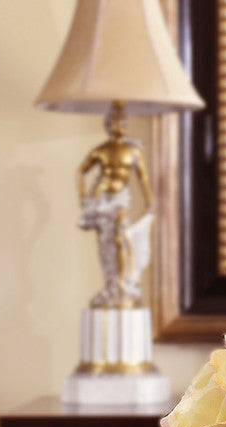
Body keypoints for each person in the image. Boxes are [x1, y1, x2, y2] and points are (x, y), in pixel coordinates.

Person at [77, 104, 154, 308]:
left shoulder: (133, 151)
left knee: (120, 237)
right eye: (115, 121)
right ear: (108, 124)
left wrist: (150, 201)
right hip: (103, 199)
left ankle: (121, 282)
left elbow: (143, 177)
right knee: (105, 244)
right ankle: (112, 283)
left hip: (121, 199)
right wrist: (84, 199)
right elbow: (81, 171)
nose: (119, 125)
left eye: (123, 122)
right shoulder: (102, 151)